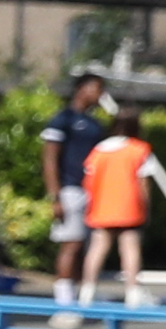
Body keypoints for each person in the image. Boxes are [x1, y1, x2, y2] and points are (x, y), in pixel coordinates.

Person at [42, 70, 120, 298]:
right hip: (71, 190)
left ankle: (78, 295)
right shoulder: (62, 120)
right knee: (71, 244)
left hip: (93, 192)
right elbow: (50, 158)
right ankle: (63, 301)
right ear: (82, 89)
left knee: (87, 247)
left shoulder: (95, 125)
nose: (100, 94)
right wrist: (55, 196)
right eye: (97, 88)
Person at [79, 111, 160, 308]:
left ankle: (86, 293)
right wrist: (146, 207)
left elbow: (88, 180)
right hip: (129, 206)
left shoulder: (98, 150)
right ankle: (133, 293)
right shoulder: (139, 149)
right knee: (130, 248)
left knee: (97, 248)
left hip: (101, 206)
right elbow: (143, 183)